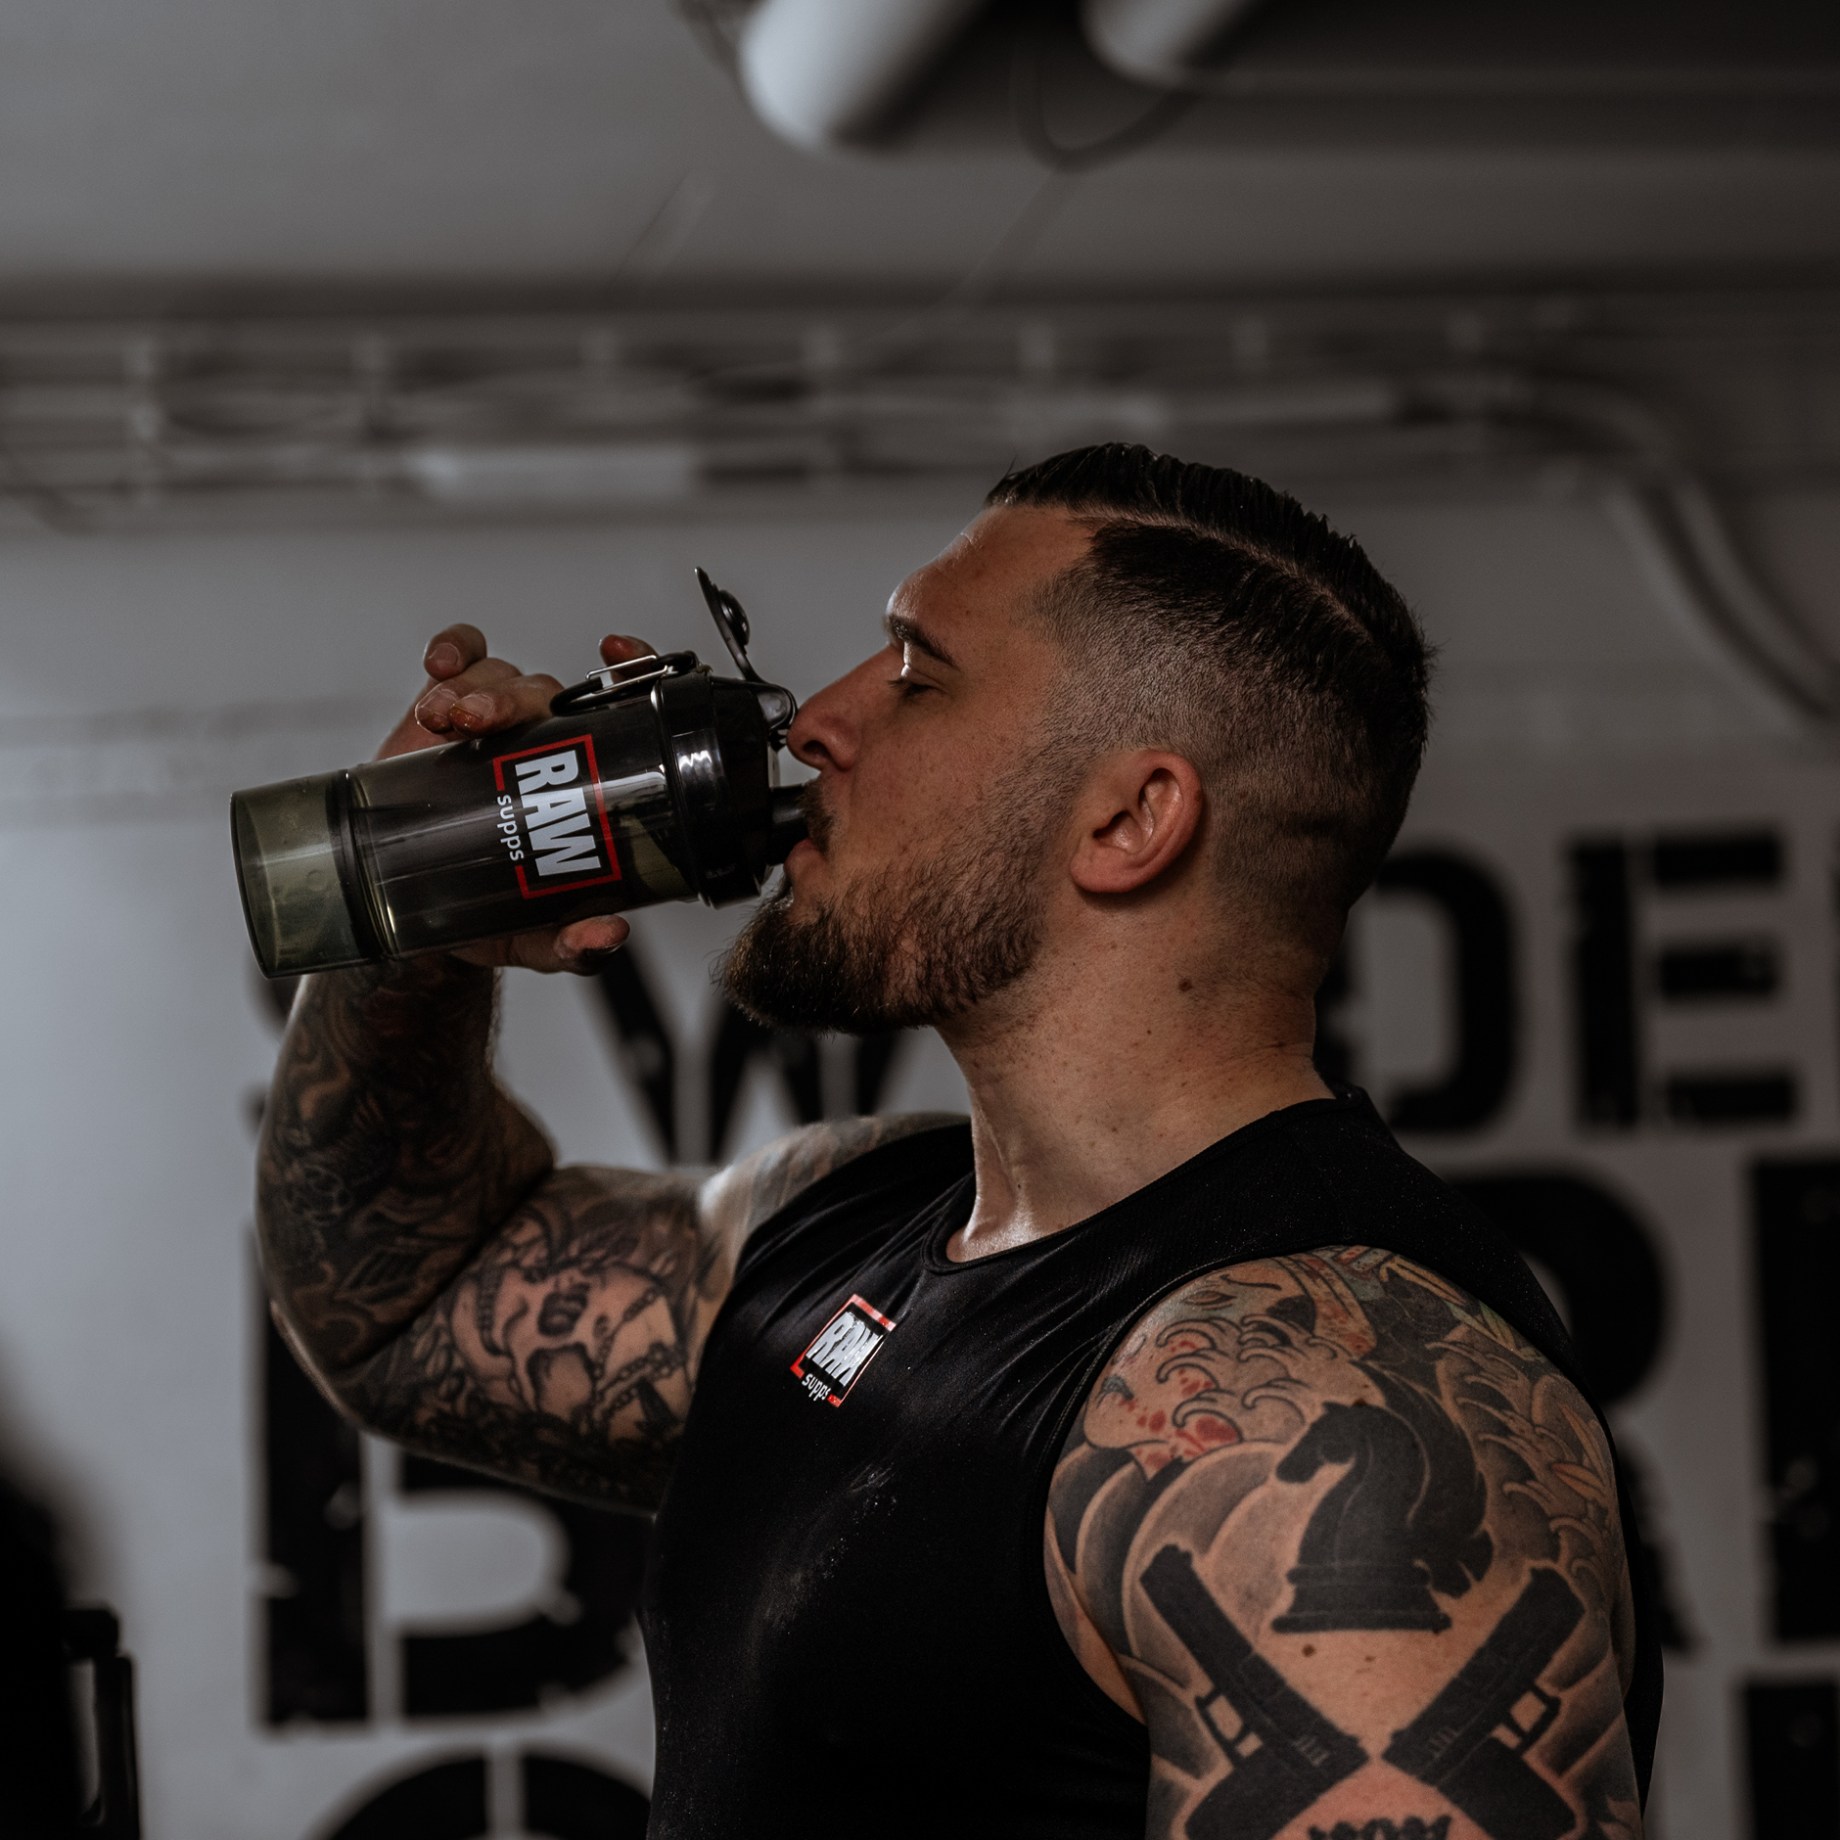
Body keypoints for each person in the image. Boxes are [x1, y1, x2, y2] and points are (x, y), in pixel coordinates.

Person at [258, 444, 1658, 1839]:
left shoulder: (1326, 1420)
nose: (817, 723)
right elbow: (406, 1303)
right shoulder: (849, 1217)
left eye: (917, 676)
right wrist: (413, 916)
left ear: (1130, 819)